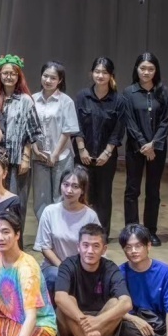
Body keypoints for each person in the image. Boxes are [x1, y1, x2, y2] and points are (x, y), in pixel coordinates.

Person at [52, 224, 132, 336]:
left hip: (101, 330)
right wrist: (86, 323)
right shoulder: (68, 265)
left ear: (104, 249)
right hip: (71, 327)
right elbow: (59, 297)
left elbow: (127, 303)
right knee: (68, 300)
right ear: (78, 247)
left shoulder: (110, 268)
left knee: (115, 303)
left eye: (96, 246)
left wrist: (97, 322)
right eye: (85, 245)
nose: (90, 251)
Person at [122, 53, 168, 245]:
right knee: (132, 190)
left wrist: (154, 144)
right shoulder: (129, 92)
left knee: (153, 190)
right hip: (135, 148)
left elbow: (166, 121)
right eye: (143, 68)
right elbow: (130, 121)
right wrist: (144, 144)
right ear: (136, 69)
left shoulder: (164, 92)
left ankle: (150, 231)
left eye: (150, 69)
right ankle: (132, 229)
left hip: (157, 149)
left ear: (156, 71)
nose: (146, 72)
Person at [74, 57, 126, 234]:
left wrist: (107, 152)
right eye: (97, 71)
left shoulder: (119, 100)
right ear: (91, 73)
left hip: (106, 157)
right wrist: (82, 149)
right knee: (83, 193)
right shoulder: (83, 96)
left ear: (111, 75)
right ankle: (81, 230)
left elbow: (118, 130)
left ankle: (101, 233)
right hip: (83, 155)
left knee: (104, 195)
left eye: (104, 72)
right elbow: (77, 125)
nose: (100, 75)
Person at [34, 166, 100, 296]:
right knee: (55, 276)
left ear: (82, 190)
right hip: (55, 266)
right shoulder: (50, 212)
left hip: (83, 268)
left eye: (75, 186)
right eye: (66, 185)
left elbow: (97, 246)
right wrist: (65, 269)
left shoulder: (90, 216)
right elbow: (45, 247)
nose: (69, 190)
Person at [0, 54, 43, 209]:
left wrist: (26, 157)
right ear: (0, 75)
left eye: (13, 74)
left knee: (16, 203)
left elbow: (32, 133)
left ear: (19, 76)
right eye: (5, 73)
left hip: (17, 160)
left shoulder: (26, 100)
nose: (9, 77)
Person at [31, 61, 80, 222]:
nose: (48, 80)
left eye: (53, 78)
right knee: (41, 198)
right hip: (39, 156)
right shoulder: (33, 99)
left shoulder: (66, 101)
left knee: (61, 195)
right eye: (45, 76)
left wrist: (55, 154)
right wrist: (35, 150)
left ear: (60, 80)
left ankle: (59, 231)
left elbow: (67, 130)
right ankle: (44, 231)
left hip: (62, 156)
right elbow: (29, 128)